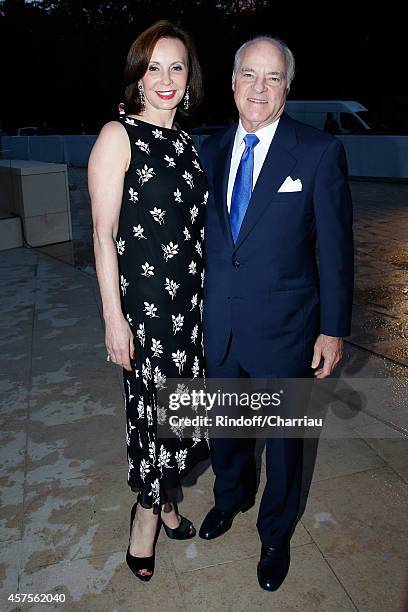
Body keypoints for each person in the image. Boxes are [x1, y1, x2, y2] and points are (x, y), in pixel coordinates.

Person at [198, 36, 353, 591]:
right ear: (232, 81)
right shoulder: (207, 150)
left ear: (288, 87)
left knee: (286, 444)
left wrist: (333, 329)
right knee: (227, 430)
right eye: (249, 75)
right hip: (220, 325)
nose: (259, 89)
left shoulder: (316, 152)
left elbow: (335, 251)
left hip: (288, 330)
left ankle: (275, 531)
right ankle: (230, 498)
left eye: (272, 78)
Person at [88, 20, 210, 582]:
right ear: (138, 74)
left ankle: (166, 502)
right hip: (147, 309)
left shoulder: (186, 140)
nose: (166, 78)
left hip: (191, 305)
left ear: (190, 77)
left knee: (181, 414)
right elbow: (103, 233)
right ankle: (146, 517)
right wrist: (114, 319)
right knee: (152, 417)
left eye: (177, 66)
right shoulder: (119, 135)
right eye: (154, 66)